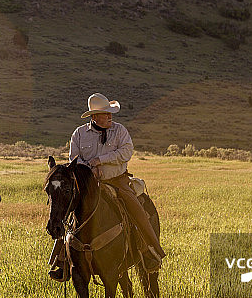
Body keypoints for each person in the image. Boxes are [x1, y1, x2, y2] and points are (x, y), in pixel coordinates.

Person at [49, 93, 165, 279]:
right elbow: (74, 160)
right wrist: (89, 170)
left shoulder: (120, 131)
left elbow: (126, 152)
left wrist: (100, 161)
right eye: (105, 113)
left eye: (110, 113)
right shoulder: (79, 134)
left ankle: (150, 251)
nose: (110, 116)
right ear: (94, 117)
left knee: (135, 208)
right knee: (68, 210)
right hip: (88, 184)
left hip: (117, 180)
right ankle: (62, 258)